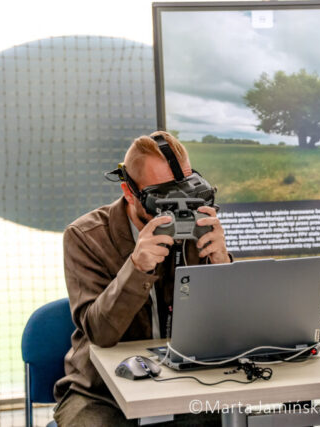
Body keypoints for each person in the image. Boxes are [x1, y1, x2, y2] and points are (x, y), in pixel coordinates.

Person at [53, 131, 229, 426]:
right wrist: (136, 268)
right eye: (162, 196)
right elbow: (100, 333)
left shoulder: (198, 227)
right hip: (101, 391)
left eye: (186, 189)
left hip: (187, 379)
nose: (178, 205)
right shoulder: (85, 237)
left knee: (235, 419)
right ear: (129, 192)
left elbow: (230, 326)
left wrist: (222, 265)